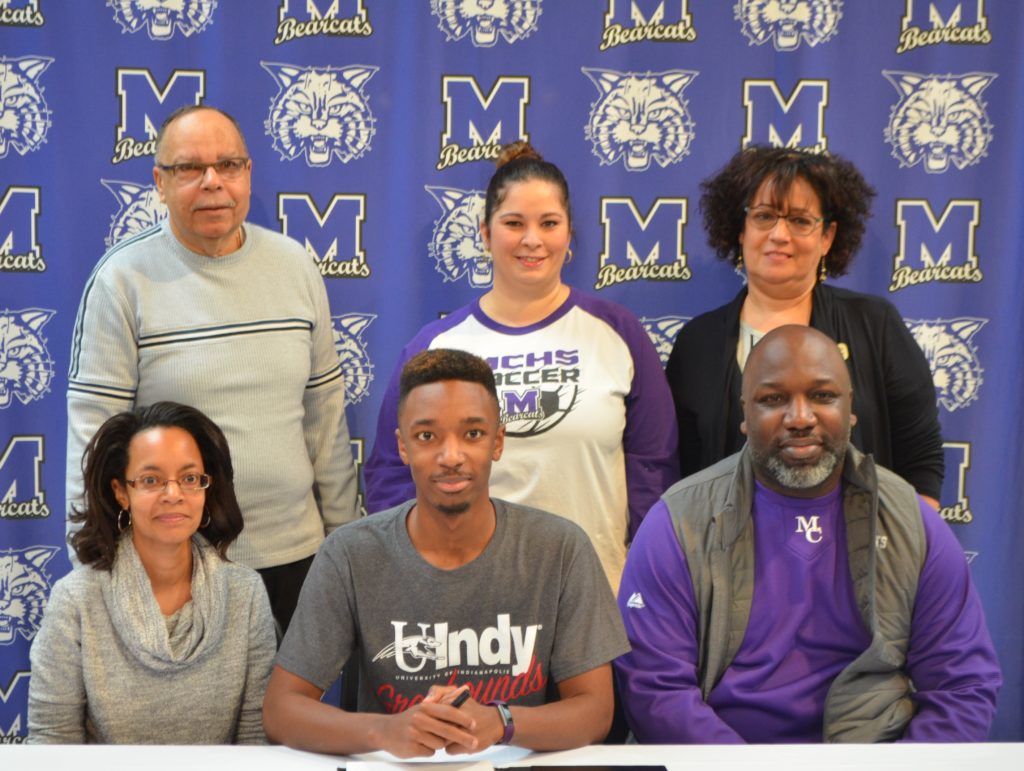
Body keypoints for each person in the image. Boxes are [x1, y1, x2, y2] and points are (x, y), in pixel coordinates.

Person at [616, 326, 1001, 743]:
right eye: (773, 399)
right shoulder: (678, 522)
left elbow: (962, 686)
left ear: (850, 408)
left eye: (822, 396)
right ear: (744, 414)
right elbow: (655, 690)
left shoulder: (909, 519)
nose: (800, 418)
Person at [66, 104, 358, 631]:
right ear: (158, 182)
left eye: (229, 166)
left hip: (297, 560)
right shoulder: (120, 282)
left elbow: (326, 421)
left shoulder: (296, 266)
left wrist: (346, 550)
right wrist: (94, 575)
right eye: (188, 169)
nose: (212, 183)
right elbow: (93, 440)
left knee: (289, 717)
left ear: (248, 174)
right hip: (176, 566)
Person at [263, 349, 630, 757]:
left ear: (498, 441)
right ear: (403, 448)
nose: (451, 456)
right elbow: (281, 711)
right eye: (427, 437)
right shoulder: (350, 554)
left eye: (472, 434)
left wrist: (501, 722)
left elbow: (596, 713)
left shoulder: (560, 549)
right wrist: (385, 732)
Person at [363, 141, 677, 591]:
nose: (532, 239)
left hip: (595, 593)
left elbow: (654, 470)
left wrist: (645, 581)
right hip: (468, 600)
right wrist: (423, 575)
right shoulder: (436, 346)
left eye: (549, 223)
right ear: (485, 233)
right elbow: (392, 474)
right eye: (514, 223)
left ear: (569, 234)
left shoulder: (617, 333)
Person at [666, 146, 943, 507]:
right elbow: (681, 473)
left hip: (855, 553)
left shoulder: (875, 326)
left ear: (827, 236)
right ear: (740, 229)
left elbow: (921, 460)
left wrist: (902, 550)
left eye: (799, 221)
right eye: (764, 216)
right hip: (726, 555)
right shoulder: (697, 343)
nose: (780, 235)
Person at [29, 402, 276, 744]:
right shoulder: (76, 599)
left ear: (207, 487)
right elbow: (52, 741)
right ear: (121, 492)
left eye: (190, 479)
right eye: (151, 480)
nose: (173, 494)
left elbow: (256, 739)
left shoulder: (245, 593)